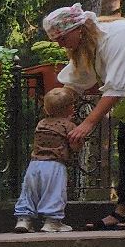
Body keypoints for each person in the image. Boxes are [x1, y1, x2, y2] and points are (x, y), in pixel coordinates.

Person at [43, 3, 125, 229]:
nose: (61, 45)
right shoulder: (86, 45)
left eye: (62, 39)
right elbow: (75, 82)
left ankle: (124, 210)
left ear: (78, 29)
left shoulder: (120, 36)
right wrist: (56, 113)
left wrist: (88, 124)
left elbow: (116, 87)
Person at [15, 86, 81, 233]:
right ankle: (52, 221)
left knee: (29, 192)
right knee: (54, 192)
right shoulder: (69, 125)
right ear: (70, 109)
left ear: (46, 109)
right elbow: (75, 146)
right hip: (54, 165)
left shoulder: (41, 123)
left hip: (35, 164)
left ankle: (24, 219)